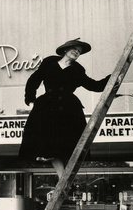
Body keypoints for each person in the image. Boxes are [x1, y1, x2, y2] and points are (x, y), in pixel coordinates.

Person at [19, 38, 111, 178]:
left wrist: (112, 79)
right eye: (74, 49)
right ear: (65, 50)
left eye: (79, 52)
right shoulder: (49, 63)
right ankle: (63, 178)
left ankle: (65, 178)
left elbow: (94, 85)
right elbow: (33, 80)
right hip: (47, 106)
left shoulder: (78, 70)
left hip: (69, 109)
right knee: (49, 143)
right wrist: (31, 100)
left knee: (68, 143)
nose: (77, 52)